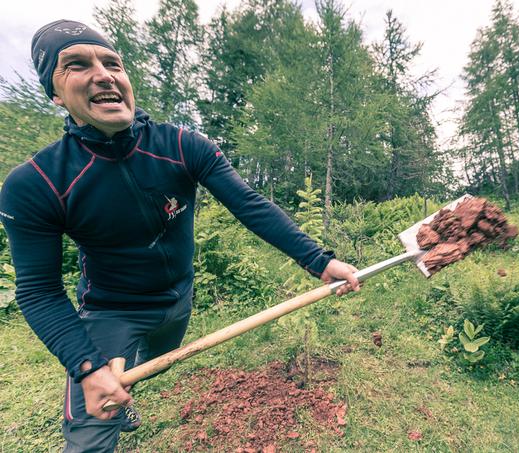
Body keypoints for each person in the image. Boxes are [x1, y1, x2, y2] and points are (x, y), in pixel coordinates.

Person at [0, 20, 360, 452]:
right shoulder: (36, 182)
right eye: (77, 65)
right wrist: (86, 366)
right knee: (91, 433)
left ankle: (127, 384)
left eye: (112, 62)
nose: (103, 74)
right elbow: (38, 292)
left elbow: (250, 205)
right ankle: (107, 392)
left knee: (147, 369)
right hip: (111, 312)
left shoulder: (183, 145)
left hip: (178, 302)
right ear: (56, 95)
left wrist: (319, 260)